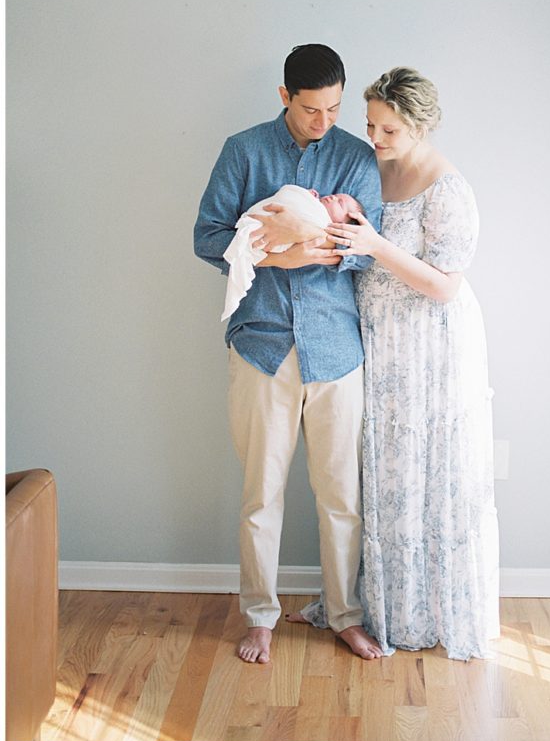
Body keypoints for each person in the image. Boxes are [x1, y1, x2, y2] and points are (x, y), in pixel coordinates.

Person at [293, 67, 500, 660]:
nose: (375, 139)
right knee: (378, 471)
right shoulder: (371, 170)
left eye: (388, 129)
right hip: (377, 339)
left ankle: (426, 609)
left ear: (420, 126)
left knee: (425, 470)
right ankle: (378, 604)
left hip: (430, 345)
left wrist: (376, 246)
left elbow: (445, 287)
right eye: (371, 125)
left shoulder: (448, 188)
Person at [193, 43, 384, 664]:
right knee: (261, 493)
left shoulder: (357, 156)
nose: (323, 122)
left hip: (336, 349)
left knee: (341, 497)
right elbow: (208, 236)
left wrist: (305, 244)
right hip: (262, 345)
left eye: (332, 108)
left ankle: (345, 615)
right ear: (284, 98)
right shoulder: (243, 150)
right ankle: (259, 618)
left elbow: (363, 248)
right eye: (310, 110)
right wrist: (278, 252)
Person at [221, 185, 364, 321]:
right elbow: (207, 239)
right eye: (335, 196)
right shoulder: (312, 202)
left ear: (344, 225)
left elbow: (366, 253)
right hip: (259, 326)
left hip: (329, 323)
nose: (333, 197)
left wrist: (306, 231)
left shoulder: (360, 168)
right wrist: (281, 259)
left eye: (340, 203)